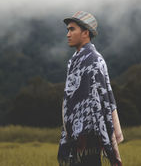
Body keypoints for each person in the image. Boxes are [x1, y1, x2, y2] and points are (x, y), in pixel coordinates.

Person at [58, 11, 123, 166]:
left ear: (85, 33)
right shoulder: (75, 61)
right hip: (76, 132)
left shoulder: (94, 60)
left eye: (72, 29)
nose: (68, 34)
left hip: (90, 132)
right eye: (67, 30)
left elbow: (102, 97)